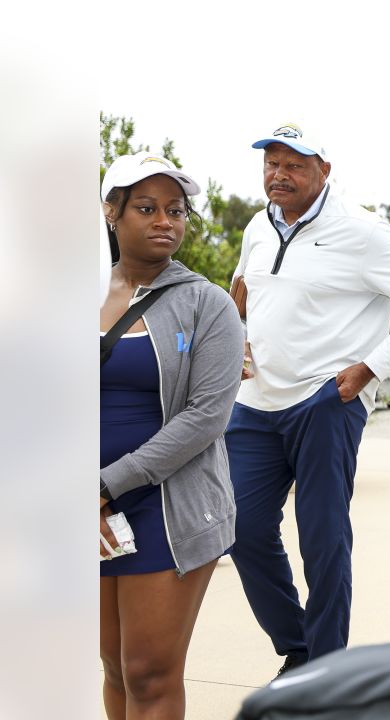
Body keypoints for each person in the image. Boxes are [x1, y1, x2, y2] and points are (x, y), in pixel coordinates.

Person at [227, 124, 390, 673]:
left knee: (323, 542)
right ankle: (298, 647)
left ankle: (326, 670)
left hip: (324, 402)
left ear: (324, 170)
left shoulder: (362, 231)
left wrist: (370, 369)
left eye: (294, 165)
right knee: (240, 528)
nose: (279, 175)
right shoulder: (259, 225)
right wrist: (235, 335)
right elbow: (242, 287)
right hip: (256, 404)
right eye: (271, 163)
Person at [99, 154, 243, 718]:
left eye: (176, 210)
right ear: (111, 213)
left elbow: (206, 417)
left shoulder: (206, 304)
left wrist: (107, 484)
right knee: (113, 665)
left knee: (149, 672)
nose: (165, 220)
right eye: (147, 207)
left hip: (166, 506)